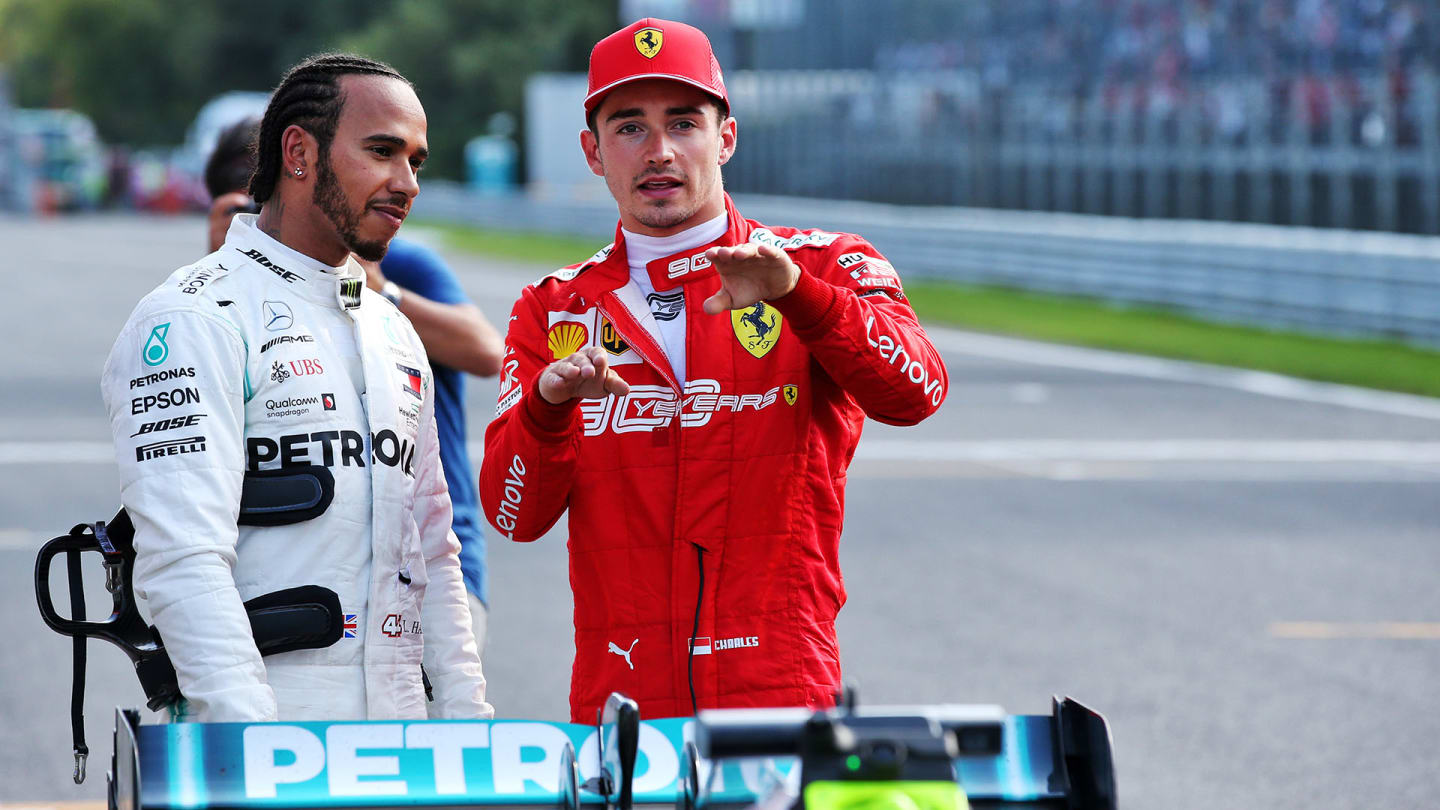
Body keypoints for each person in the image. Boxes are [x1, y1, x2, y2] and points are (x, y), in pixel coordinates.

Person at [479, 19, 949, 722]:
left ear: (725, 137)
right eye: (630, 127)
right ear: (593, 151)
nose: (660, 151)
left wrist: (804, 300)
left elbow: (919, 391)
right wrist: (546, 408)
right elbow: (514, 516)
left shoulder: (822, 265)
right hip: (620, 711)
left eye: (685, 123)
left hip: (782, 695)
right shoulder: (553, 307)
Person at [101, 53, 493, 721]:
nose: (407, 183)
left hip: (400, 733)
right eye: (382, 151)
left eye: (416, 162)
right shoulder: (192, 317)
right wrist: (259, 746)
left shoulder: (394, 329)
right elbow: (181, 561)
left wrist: (466, 723)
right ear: (299, 152)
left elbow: (433, 550)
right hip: (266, 736)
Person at [203, 118, 503, 651]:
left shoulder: (394, 259)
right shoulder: (216, 294)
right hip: (283, 571)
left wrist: (380, 290)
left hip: (427, 561)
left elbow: (488, 352)